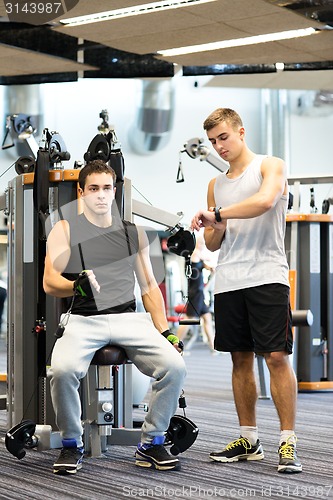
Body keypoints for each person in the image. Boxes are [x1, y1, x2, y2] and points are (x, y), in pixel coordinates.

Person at [43, 159, 186, 475]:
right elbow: (50, 281)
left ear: (115, 191)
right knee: (62, 371)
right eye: (93, 188)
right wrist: (75, 286)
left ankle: (151, 443)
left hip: (128, 319)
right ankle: (71, 444)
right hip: (83, 320)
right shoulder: (64, 229)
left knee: (174, 367)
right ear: (81, 192)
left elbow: (149, 286)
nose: (101, 195)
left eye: (107, 188)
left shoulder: (132, 233)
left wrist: (165, 331)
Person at [191, 108, 302, 474]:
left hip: (268, 275)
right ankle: (249, 439)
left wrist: (218, 213)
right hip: (229, 279)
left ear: (240, 131)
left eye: (223, 137)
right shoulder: (215, 184)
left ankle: (287, 441)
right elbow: (211, 242)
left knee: (275, 357)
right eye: (212, 141)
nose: (218, 146)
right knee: (239, 360)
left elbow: (265, 202)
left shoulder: (271, 165)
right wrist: (213, 222)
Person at [176, 231, 217, 353]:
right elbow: (205, 258)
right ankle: (175, 346)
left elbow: (206, 265)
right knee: (188, 319)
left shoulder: (197, 256)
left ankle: (213, 347)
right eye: (201, 243)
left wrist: (210, 268)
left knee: (207, 317)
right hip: (195, 292)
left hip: (199, 293)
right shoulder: (194, 254)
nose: (203, 245)